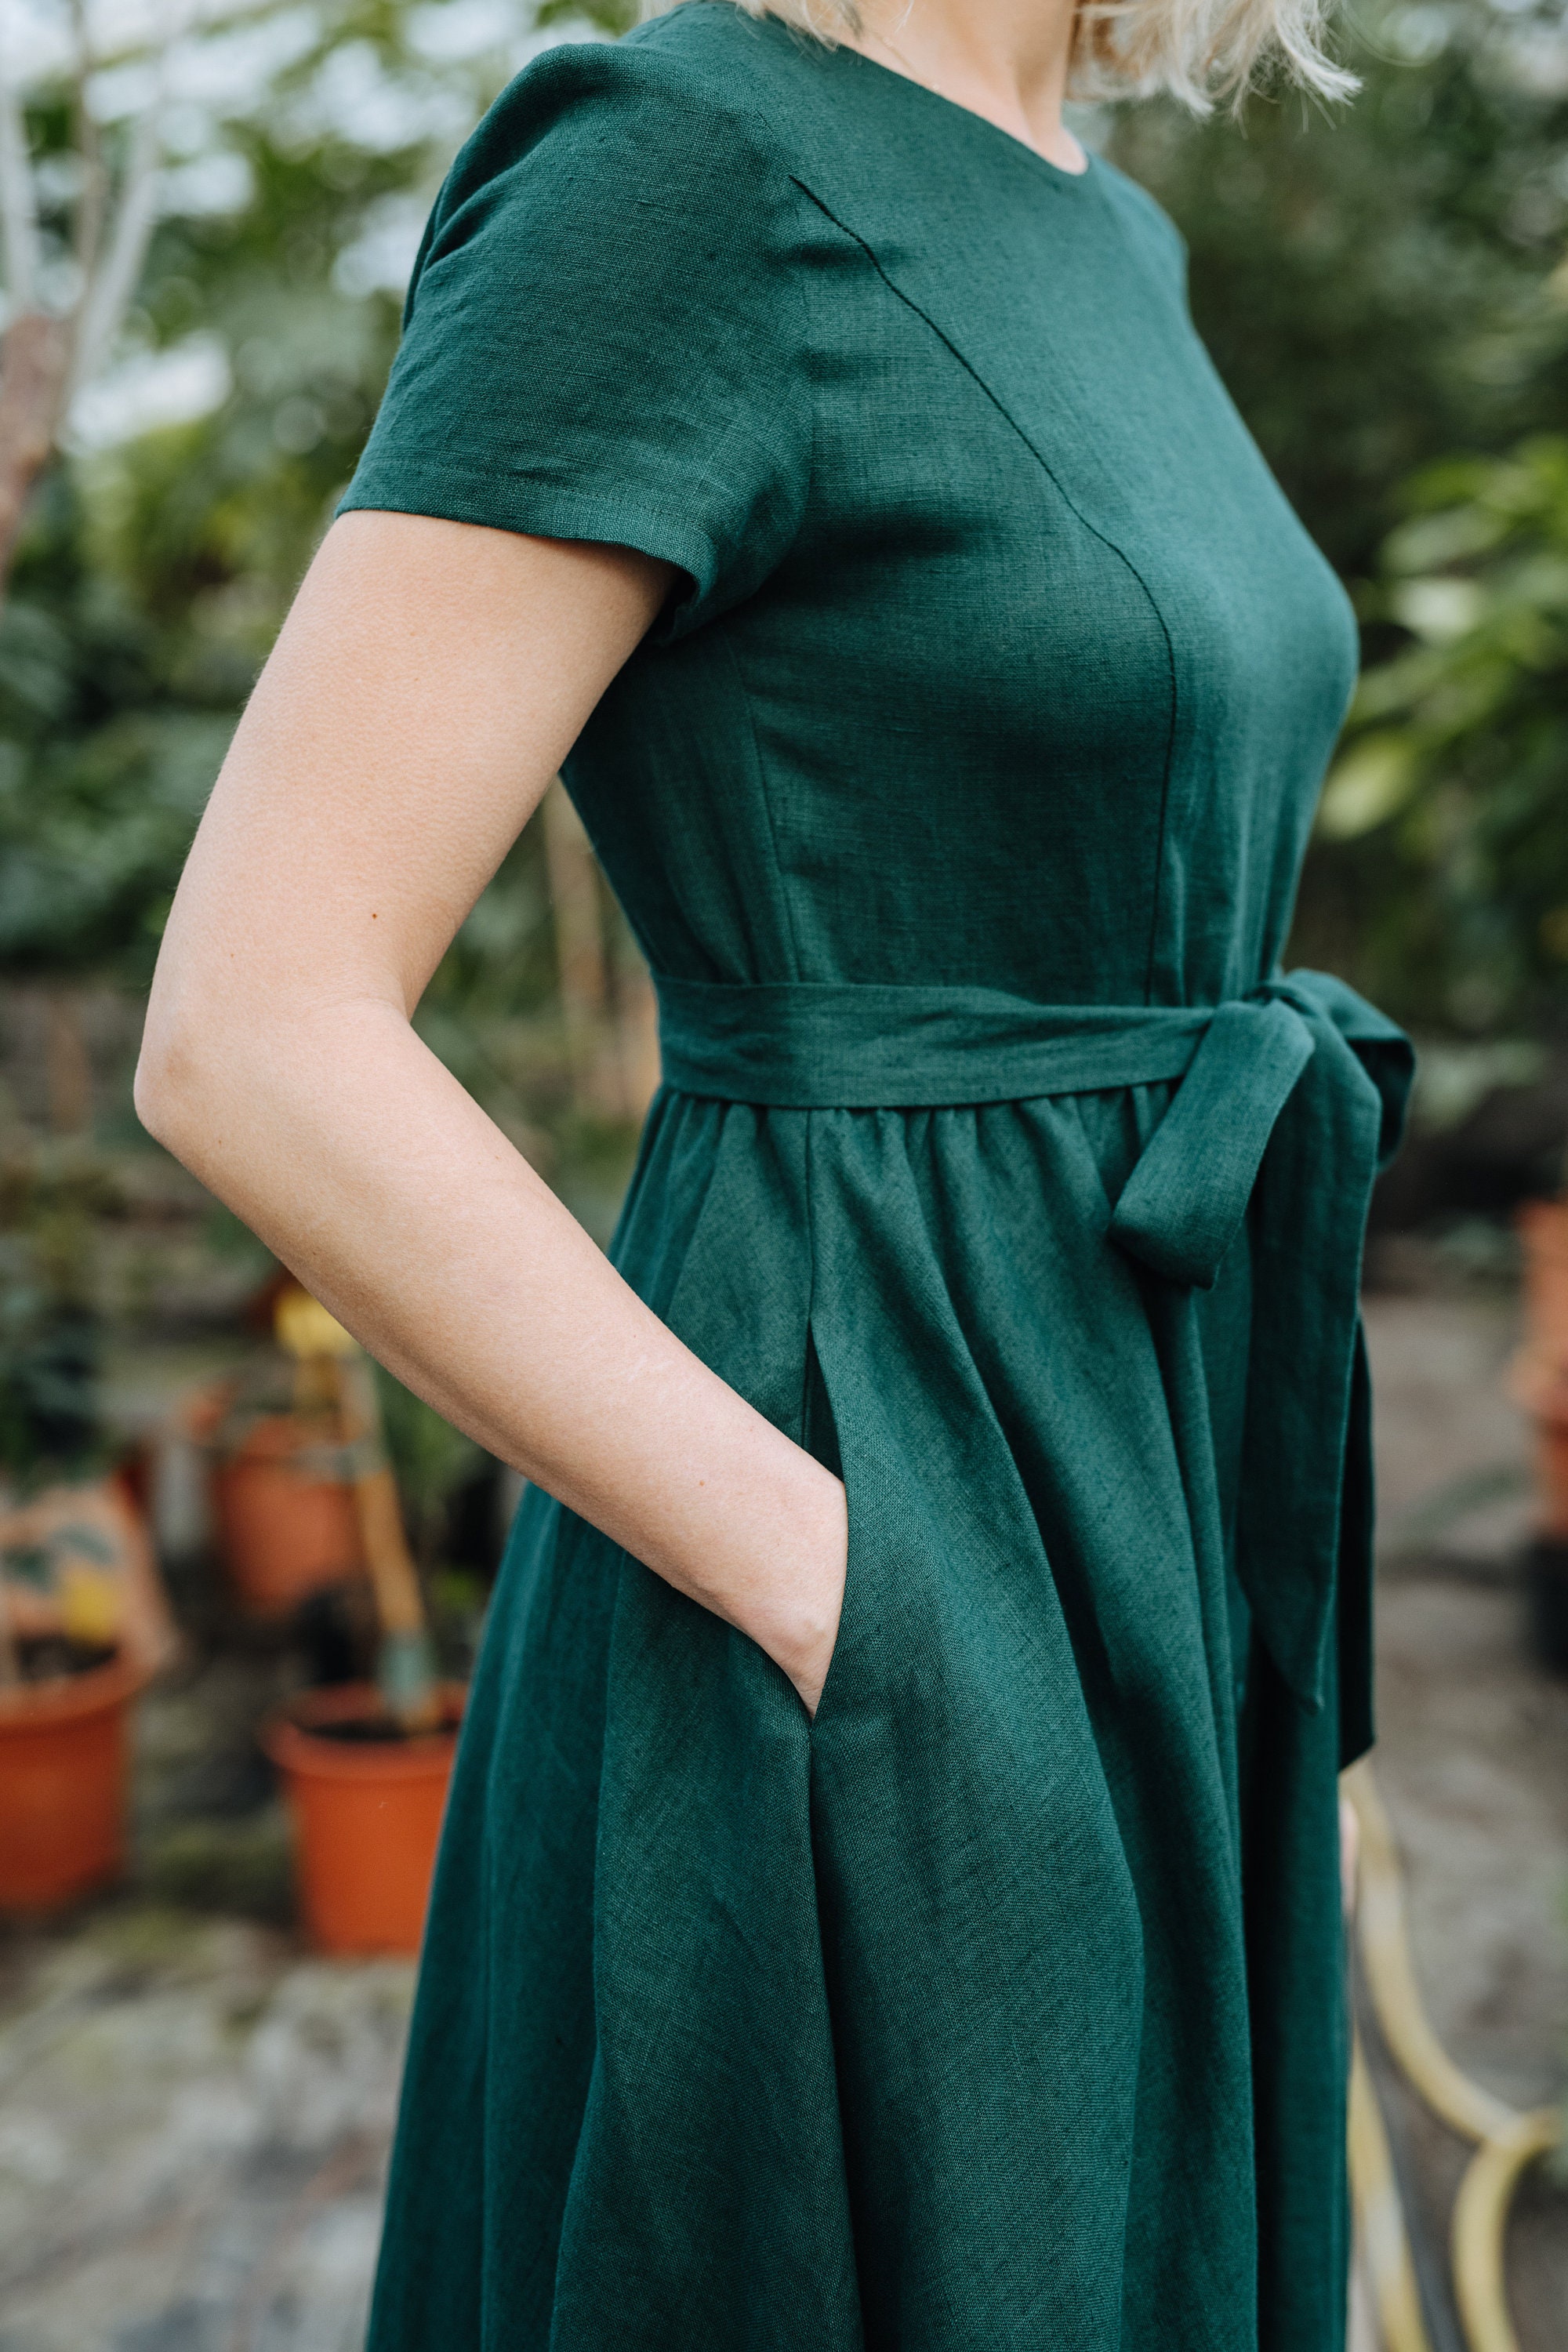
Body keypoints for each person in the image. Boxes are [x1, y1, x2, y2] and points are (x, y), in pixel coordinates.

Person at [136, 0, 1414, 2343]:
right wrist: (856, 1592)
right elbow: (255, 1024)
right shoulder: (676, 165)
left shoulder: (1106, 225)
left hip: (1156, 1476)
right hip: (881, 1474)